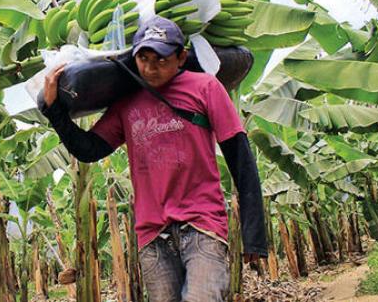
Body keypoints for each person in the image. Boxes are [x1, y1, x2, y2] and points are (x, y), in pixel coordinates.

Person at [39, 16, 267, 302]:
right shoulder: (126, 103)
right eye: (144, 58)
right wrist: (54, 111)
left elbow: (240, 157)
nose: (151, 67)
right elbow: (89, 149)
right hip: (151, 235)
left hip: (202, 226)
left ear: (181, 57)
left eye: (161, 59)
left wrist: (254, 233)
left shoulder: (205, 88)